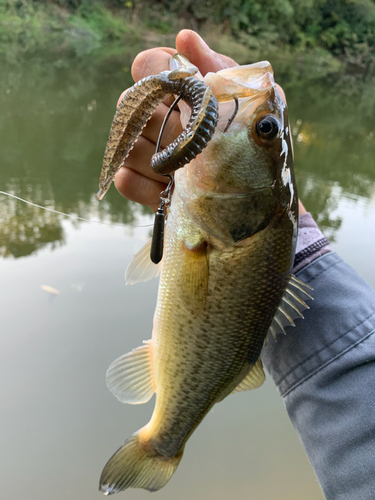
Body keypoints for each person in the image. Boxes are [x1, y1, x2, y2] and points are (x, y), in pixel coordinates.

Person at [113, 30, 375, 500]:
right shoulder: (246, 222)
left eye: (264, 131)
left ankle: (159, 444)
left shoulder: (246, 223)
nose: (262, 121)